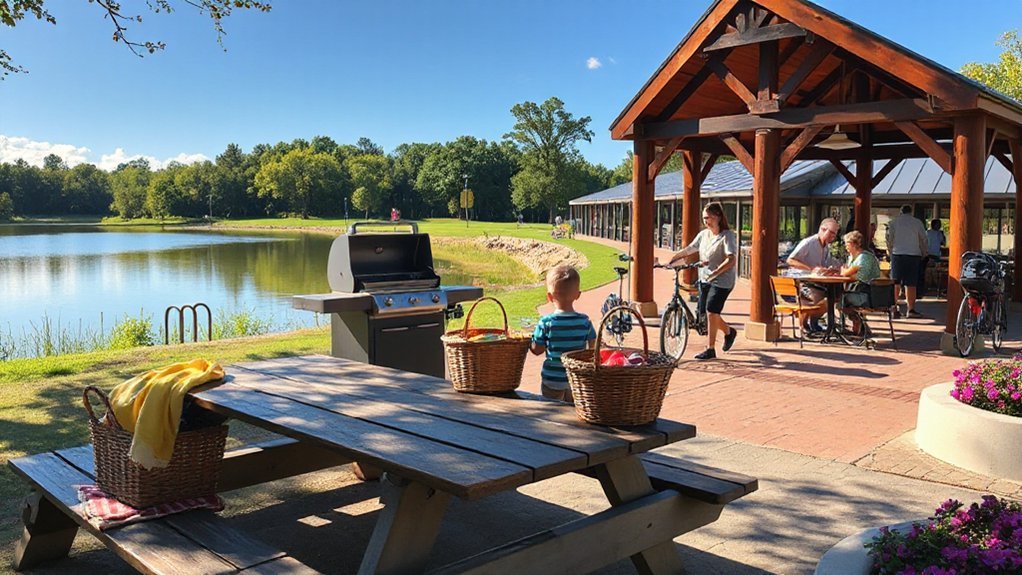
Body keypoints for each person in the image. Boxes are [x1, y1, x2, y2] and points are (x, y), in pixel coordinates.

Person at [668, 203, 738, 360]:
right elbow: (689, 249)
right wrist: (672, 260)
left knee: (712, 311)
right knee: (707, 314)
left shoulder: (727, 236)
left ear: (718, 217)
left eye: (708, 217)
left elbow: (731, 259)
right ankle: (729, 332)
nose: (705, 221)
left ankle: (710, 349)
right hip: (705, 278)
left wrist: (717, 271)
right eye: (704, 218)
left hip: (722, 280)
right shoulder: (703, 235)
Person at [530, 265, 597, 402]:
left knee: (551, 412)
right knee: (573, 414)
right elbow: (592, 349)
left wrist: (528, 341)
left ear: (549, 297)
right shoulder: (584, 322)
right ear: (578, 295)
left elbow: (537, 350)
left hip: (552, 379)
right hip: (575, 380)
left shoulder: (546, 323)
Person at [786, 218, 843, 331]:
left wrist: (829, 270)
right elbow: (790, 260)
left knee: (836, 295)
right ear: (822, 229)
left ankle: (814, 322)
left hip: (816, 282)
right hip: (801, 283)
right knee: (818, 297)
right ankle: (803, 326)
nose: (833, 237)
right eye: (831, 233)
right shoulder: (809, 243)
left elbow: (822, 266)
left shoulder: (826, 247)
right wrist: (811, 269)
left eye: (835, 234)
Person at [886, 205, 928, 318]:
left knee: (895, 282)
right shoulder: (917, 222)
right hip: (913, 254)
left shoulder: (893, 222)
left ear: (901, 212)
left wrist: (890, 252)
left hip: (897, 254)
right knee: (911, 283)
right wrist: (924, 252)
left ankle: (893, 307)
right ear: (911, 212)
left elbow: (889, 239)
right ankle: (911, 309)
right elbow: (923, 239)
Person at [838, 231, 882, 335]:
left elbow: (858, 277)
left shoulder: (864, 257)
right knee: (840, 299)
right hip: (860, 291)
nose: (845, 246)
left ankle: (858, 323)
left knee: (839, 301)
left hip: (869, 294)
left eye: (847, 243)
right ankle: (860, 325)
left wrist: (846, 272)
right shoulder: (852, 257)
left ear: (854, 244)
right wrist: (847, 272)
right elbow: (847, 273)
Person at [919, 219, 946, 295]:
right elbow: (943, 243)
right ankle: (930, 285)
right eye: (938, 224)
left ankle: (931, 285)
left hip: (931, 255)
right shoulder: (930, 233)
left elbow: (943, 243)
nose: (939, 226)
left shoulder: (930, 233)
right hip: (931, 255)